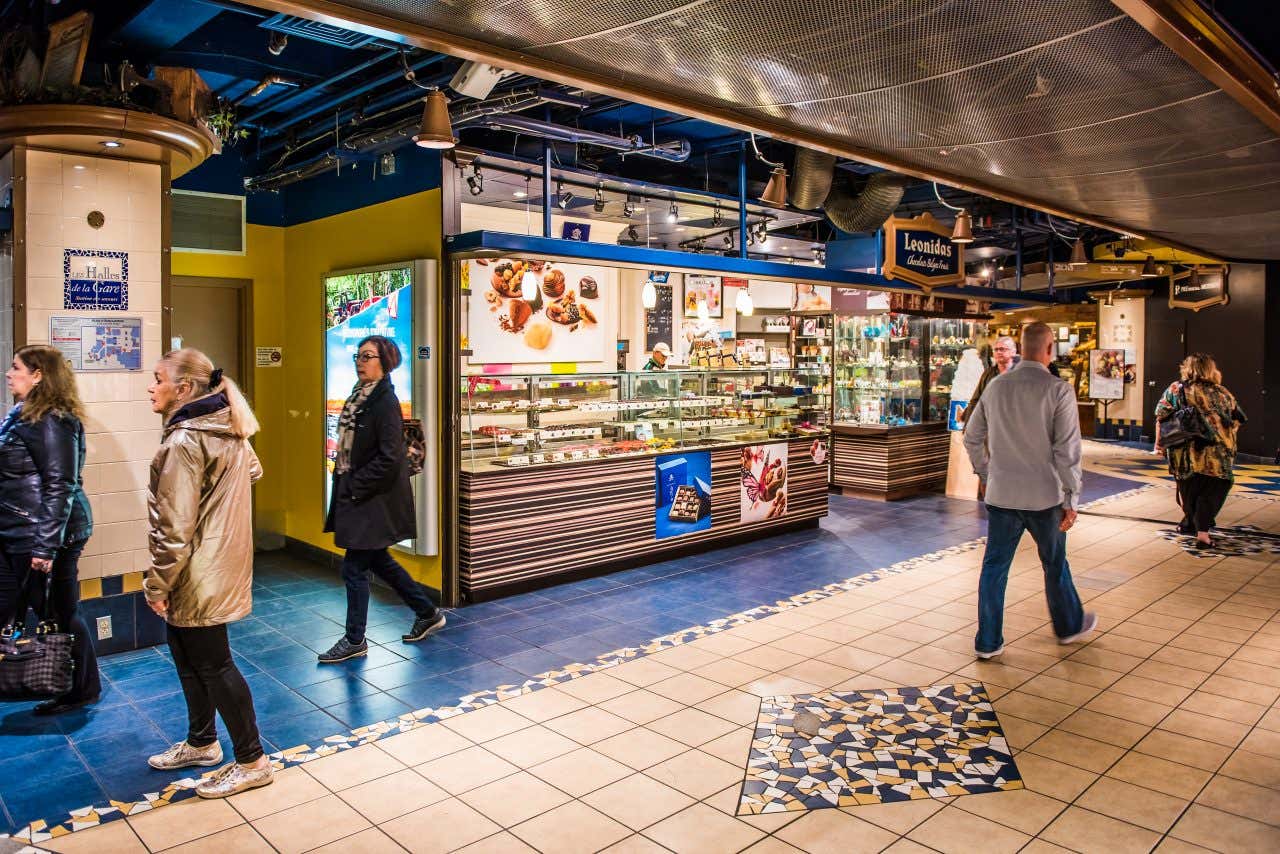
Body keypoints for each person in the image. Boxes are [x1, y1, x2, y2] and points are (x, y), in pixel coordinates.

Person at [143, 348, 273, 799]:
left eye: (157, 378)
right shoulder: (227, 427)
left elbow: (174, 526)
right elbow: (253, 470)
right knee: (187, 654)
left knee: (214, 664)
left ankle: (253, 760)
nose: (150, 386)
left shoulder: (185, 440)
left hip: (196, 568)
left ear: (184, 389)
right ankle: (202, 742)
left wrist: (157, 583)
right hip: (216, 560)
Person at [962, 322, 1097, 659]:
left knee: (994, 568)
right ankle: (1068, 626)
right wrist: (1071, 498)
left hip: (1002, 494)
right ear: (1050, 348)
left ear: (1021, 348)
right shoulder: (1058, 390)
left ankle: (988, 641)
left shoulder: (996, 387)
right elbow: (1068, 452)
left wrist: (985, 472)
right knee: (1054, 563)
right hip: (1045, 497)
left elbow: (971, 436)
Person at [320, 335, 444, 664]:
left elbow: (391, 457)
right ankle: (427, 611)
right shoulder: (360, 395)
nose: (360, 362)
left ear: (384, 363)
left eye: (368, 356)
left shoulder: (385, 401)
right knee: (378, 561)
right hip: (358, 492)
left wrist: (356, 484)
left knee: (354, 568)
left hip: (371, 496)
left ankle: (354, 639)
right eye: (358, 356)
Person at [0, 345, 97, 714]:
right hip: (16, 530)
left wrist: (45, 546)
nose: (9, 374)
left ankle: (80, 688)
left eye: (16, 368)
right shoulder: (22, 416)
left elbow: (61, 484)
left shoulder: (53, 420)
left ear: (38, 374)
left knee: (59, 610)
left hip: (40, 533)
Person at [1154, 353, 1246, 549]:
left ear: (1187, 368)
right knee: (1214, 489)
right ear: (1211, 369)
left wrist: (1159, 444)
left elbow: (1161, 417)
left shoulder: (1176, 389)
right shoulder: (1222, 392)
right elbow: (1237, 419)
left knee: (1189, 489)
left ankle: (1192, 523)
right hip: (1218, 452)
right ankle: (1202, 533)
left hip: (1185, 452)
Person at [967, 336, 1018, 417]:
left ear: (1013, 352)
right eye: (996, 349)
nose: (999, 352)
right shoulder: (988, 373)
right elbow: (975, 401)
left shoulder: (1020, 374)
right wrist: (968, 426)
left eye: (1002, 349)